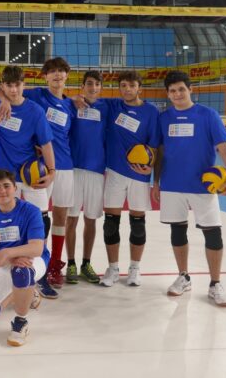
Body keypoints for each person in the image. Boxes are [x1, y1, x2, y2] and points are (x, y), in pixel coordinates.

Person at [151, 70, 226, 307]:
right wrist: (156, 182)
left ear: (191, 90)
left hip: (203, 186)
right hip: (171, 184)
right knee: (177, 232)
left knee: (213, 233)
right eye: (172, 90)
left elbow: (223, 147)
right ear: (167, 94)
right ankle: (183, 277)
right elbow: (160, 152)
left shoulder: (207, 115)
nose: (177, 94)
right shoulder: (163, 118)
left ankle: (215, 283)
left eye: (181, 89)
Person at [0, 65, 57, 298]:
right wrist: (3, 99)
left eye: (18, 85)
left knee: (41, 224)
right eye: (9, 86)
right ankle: (8, 269)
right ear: (4, 86)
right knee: (7, 224)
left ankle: (40, 274)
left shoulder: (35, 111)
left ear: (23, 85)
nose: (14, 89)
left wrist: (52, 171)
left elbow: (46, 143)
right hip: (5, 177)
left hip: (30, 174)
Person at [0, 169, 48, 347]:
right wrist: (10, 258)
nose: (2, 191)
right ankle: (26, 292)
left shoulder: (31, 211)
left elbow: (37, 248)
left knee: (21, 272)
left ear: (15, 188)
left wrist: (7, 253)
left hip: (32, 260)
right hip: (6, 262)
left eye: (6, 186)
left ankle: (21, 322)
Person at [99, 70, 160, 288]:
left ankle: (135, 268)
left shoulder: (151, 112)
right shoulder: (113, 106)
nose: (127, 89)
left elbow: (154, 146)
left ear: (139, 88)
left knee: (138, 225)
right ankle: (113, 268)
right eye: (123, 85)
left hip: (139, 175)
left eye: (131, 86)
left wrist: (150, 167)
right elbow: (90, 99)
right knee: (110, 225)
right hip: (114, 172)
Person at [23, 57, 77, 290]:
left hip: (64, 166)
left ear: (67, 76)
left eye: (61, 72)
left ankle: (55, 264)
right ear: (45, 76)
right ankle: (40, 263)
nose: (57, 76)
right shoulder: (36, 95)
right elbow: (2, 90)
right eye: (52, 72)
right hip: (41, 167)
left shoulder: (71, 106)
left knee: (61, 217)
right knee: (39, 219)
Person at [65, 70, 108, 284]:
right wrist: (71, 98)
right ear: (82, 86)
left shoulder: (106, 108)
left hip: (96, 172)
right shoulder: (72, 106)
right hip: (73, 170)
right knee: (71, 219)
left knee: (91, 220)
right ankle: (70, 263)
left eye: (96, 84)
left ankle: (86, 263)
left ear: (101, 87)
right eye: (89, 83)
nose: (93, 87)